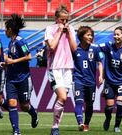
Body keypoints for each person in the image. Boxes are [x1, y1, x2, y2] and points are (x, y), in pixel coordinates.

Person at [1, 13, 38, 135]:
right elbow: (12, 60)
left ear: (10, 30)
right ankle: (16, 131)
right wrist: (6, 64)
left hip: (23, 78)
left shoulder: (20, 41)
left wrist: (13, 61)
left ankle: (34, 114)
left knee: (25, 106)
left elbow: (28, 57)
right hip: (11, 78)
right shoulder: (11, 42)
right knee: (12, 103)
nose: (5, 31)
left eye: (6, 29)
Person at [44, 4, 77, 135]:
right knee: (62, 97)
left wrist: (68, 33)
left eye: (67, 20)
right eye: (62, 20)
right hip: (55, 68)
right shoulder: (50, 29)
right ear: (56, 18)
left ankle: (55, 127)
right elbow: (51, 46)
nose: (64, 22)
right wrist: (59, 31)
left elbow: (74, 48)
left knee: (63, 100)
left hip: (68, 67)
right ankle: (55, 126)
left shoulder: (71, 29)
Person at [72, 26, 103, 132]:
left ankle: (86, 123)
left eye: (91, 35)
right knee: (79, 101)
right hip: (78, 79)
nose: (90, 37)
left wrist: (100, 75)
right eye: (88, 35)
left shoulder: (95, 48)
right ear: (81, 36)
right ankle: (80, 122)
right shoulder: (75, 49)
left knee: (89, 104)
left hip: (91, 81)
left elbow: (99, 62)